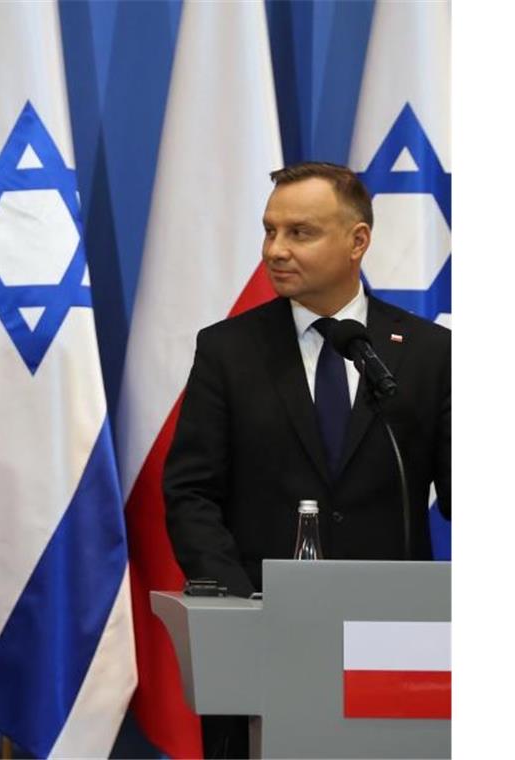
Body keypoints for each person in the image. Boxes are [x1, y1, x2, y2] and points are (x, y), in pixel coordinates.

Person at [163, 162, 451, 756]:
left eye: (300, 232)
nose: (276, 250)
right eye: (270, 231)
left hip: (391, 647)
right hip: (260, 642)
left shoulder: (428, 352)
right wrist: (246, 611)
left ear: (358, 241)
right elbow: (191, 494)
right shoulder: (227, 350)